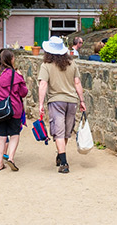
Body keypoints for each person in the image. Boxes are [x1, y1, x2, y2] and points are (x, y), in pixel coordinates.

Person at [37, 36, 87, 174]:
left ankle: (64, 162)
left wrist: (41, 104)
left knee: (59, 131)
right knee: (66, 131)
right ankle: (60, 154)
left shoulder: (46, 65)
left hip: (56, 101)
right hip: (71, 101)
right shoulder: (72, 64)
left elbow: (43, 84)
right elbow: (77, 83)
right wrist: (82, 100)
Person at [0, 49, 28, 171]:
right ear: (10, 59)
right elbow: (23, 93)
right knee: (14, 134)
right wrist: (21, 78)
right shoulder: (16, 75)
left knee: (1, 135)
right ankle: (11, 158)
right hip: (14, 108)